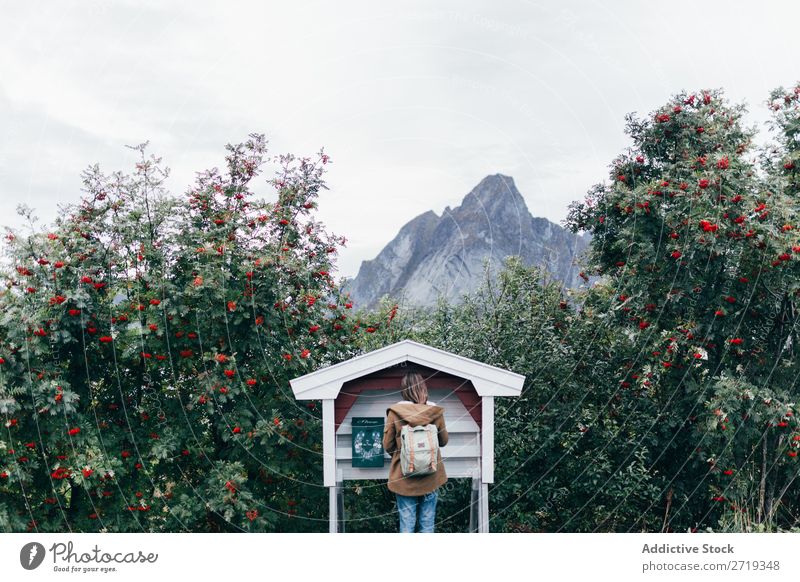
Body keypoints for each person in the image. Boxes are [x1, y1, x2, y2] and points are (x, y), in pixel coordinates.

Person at [382, 371, 449, 533]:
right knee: (427, 522)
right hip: (431, 477)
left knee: (407, 523)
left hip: (404, 478)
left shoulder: (395, 412)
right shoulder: (434, 412)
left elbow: (387, 444)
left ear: (404, 390)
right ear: (423, 388)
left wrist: (402, 456)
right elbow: (443, 441)